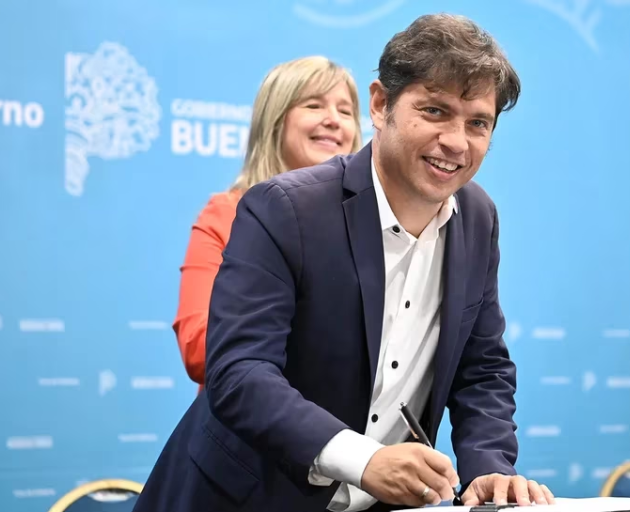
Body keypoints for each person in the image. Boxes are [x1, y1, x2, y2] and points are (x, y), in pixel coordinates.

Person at [135, 13, 557, 512]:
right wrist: (363, 460)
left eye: (478, 123)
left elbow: (481, 367)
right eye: (435, 111)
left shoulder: (478, 217)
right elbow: (240, 370)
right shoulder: (284, 208)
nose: (456, 141)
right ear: (380, 105)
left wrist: (488, 465)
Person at [172, 56, 363, 394]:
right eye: (314, 105)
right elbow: (198, 346)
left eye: (345, 111)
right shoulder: (226, 215)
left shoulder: (373, 223)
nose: (334, 120)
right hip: (252, 420)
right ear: (275, 121)